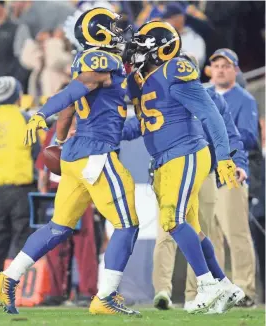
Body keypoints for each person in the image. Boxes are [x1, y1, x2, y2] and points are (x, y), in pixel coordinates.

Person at [0, 8, 140, 316]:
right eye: (111, 27)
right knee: (127, 225)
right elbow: (74, 91)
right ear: (98, 33)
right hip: (96, 154)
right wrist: (43, 114)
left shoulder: (101, 62)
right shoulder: (100, 61)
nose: (117, 32)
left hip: (74, 156)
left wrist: (58, 141)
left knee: (59, 226)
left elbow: (69, 106)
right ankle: (105, 296)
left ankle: (8, 277)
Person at [124, 21, 242, 314]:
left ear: (158, 50)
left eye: (141, 50)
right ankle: (224, 284)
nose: (136, 55)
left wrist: (225, 156)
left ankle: (206, 285)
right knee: (194, 229)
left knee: (171, 220)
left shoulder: (174, 68)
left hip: (185, 153)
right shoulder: (145, 81)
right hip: (165, 160)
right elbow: (141, 124)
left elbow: (209, 112)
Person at [0, 75, 38, 303]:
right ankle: (19, 291)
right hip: (20, 187)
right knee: (23, 240)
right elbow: (37, 150)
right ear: (17, 94)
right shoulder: (23, 118)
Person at [209, 49, 258, 307]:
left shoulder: (244, 99)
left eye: (226, 66)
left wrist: (222, 136)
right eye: (215, 65)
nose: (220, 69)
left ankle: (245, 289)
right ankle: (219, 289)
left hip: (230, 170)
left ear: (236, 70)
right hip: (207, 172)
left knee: (236, 234)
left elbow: (250, 138)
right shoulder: (204, 95)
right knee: (211, 235)